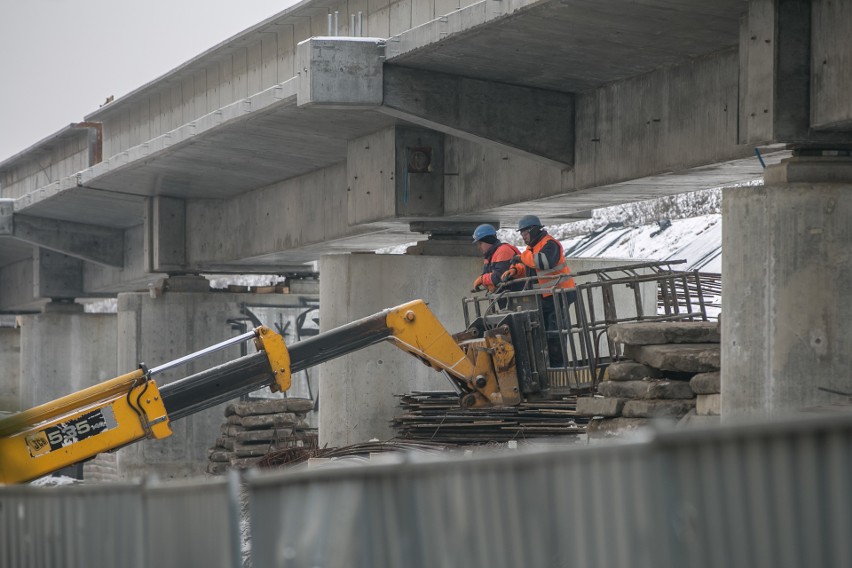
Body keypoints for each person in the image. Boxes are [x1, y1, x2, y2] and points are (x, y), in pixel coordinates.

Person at [502, 215, 576, 366]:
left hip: (560, 294)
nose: (523, 237)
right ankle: (551, 368)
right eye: (521, 233)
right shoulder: (533, 248)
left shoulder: (550, 244)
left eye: (525, 233)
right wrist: (515, 270)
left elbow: (542, 262)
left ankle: (560, 368)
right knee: (544, 335)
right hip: (545, 297)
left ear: (535, 230)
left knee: (556, 334)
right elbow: (530, 266)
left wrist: (521, 258)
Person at [470, 224, 524, 296]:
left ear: (489, 240)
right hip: (506, 296)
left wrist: (482, 280)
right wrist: (488, 283)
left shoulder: (503, 251)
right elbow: (487, 274)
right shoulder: (489, 256)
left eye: (480, 243)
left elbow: (500, 276)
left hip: (517, 295)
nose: (479, 247)